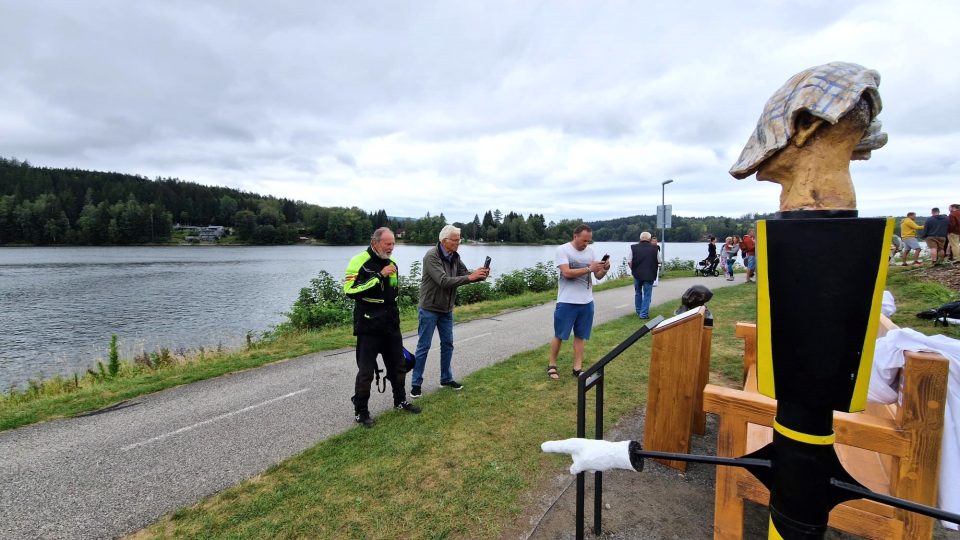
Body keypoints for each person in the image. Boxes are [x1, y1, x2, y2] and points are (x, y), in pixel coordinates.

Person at [343, 227, 420, 428]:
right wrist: (378, 275)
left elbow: (392, 295)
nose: (392, 247)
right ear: (375, 242)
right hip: (368, 325)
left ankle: (400, 400)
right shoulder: (358, 261)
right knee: (366, 372)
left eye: (393, 243)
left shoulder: (392, 263)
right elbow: (349, 291)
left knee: (399, 365)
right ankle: (361, 411)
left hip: (390, 325)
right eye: (388, 244)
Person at [410, 225, 489, 398]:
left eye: (459, 239)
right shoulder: (431, 256)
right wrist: (470, 277)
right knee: (424, 346)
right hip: (429, 308)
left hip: (446, 309)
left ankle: (446, 379)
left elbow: (464, 274)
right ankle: (416, 384)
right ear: (444, 241)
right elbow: (443, 281)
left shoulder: (454, 256)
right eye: (455, 240)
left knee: (448, 344)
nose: (458, 242)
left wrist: (479, 274)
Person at [547, 224, 610, 380]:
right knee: (560, 334)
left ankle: (577, 368)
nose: (586, 244)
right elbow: (567, 273)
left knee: (580, 336)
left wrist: (605, 268)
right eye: (584, 240)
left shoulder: (591, 252)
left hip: (587, 301)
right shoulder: (563, 250)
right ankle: (552, 365)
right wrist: (590, 268)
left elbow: (599, 276)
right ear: (575, 236)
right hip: (567, 301)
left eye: (589, 241)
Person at [629, 232, 660, 320]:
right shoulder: (655, 248)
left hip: (637, 274)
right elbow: (660, 260)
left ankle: (639, 311)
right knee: (647, 295)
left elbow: (629, 261)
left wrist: (633, 269)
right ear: (649, 239)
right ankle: (643, 314)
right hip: (649, 274)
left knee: (638, 293)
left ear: (640, 238)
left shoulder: (633, 247)